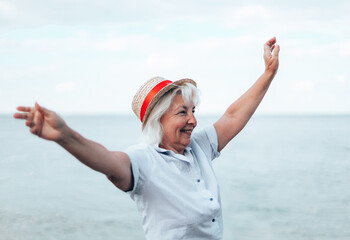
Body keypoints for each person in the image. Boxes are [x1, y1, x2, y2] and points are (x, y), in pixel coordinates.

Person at [13, 37, 280, 239]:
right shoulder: (143, 161)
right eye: (182, 112)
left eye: (193, 111)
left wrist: (268, 73)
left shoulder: (198, 147)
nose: (193, 120)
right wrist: (64, 135)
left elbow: (233, 116)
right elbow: (105, 159)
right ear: (159, 120)